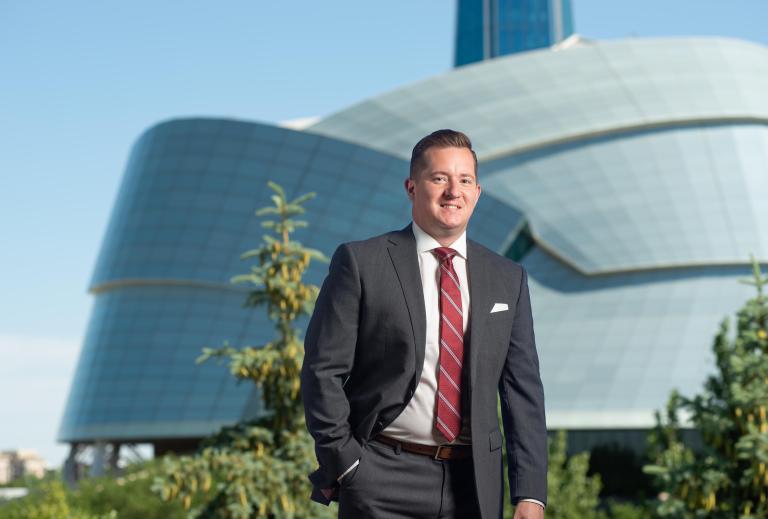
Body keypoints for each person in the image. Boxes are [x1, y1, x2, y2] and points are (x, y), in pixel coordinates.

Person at [300, 129, 547, 518]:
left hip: (473, 485)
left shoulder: (507, 277)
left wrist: (530, 493)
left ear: (477, 192)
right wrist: (347, 463)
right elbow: (322, 371)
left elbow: (523, 391)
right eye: (439, 178)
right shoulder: (362, 263)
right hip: (380, 478)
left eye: (464, 180)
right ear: (412, 187)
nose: (453, 191)